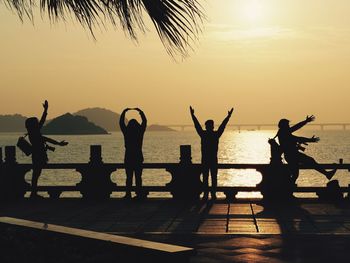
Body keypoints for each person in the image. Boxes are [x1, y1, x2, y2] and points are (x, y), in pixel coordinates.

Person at [25, 100, 68, 199]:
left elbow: (42, 123)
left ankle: (33, 193)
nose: (38, 124)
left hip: (37, 155)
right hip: (38, 155)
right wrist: (58, 143)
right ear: (33, 125)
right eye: (36, 123)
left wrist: (45, 110)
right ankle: (33, 194)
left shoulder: (32, 133)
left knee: (36, 174)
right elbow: (45, 136)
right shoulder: (34, 133)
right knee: (36, 174)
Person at [190, 106, 234, 200]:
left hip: (206, 159)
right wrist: (228, 117)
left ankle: (207, 195)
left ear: (207, 126)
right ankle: (212, 194)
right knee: (212, 178)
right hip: (212, 159)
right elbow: (223, 126)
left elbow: (197, 125)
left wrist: (193, 115)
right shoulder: (215, 135)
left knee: (207, 178)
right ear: (212, 126)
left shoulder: (204, 134)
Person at [276, 115, 336, 183]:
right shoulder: (284, 133)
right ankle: (327, 174)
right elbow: (297, 136)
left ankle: (327, 174)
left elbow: (296, 129)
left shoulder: (283, 132)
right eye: (287, 125)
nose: (289, 126)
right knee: (307, 164)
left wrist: (306, 122)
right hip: (292, 155)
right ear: (283, 126)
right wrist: (310, 139)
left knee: (295, 174)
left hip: (291, 155)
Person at [119, 108, 147, 199]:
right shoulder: (140, 132)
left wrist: (124, 112)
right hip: (138, 156)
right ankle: (138, 194)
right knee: (138, 177)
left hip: (129, 156)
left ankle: (128, 194)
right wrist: (141, 112)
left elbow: (121, 123)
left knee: (129, 177)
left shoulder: (127, 132)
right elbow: (144, 122)